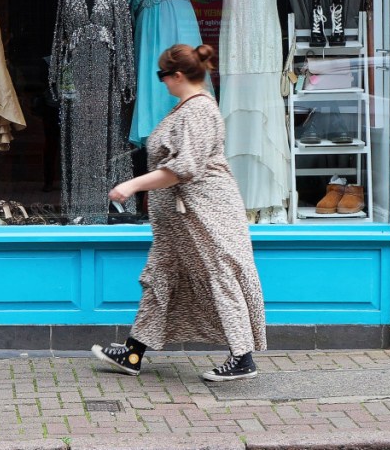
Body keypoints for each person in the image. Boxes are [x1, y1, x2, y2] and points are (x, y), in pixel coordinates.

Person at [91, 43, 266, 381]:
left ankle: (243, 357)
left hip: (204, 216)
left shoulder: (197, 111)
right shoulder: (185, 108)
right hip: (178, 222)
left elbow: (183, 168)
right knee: (161, 277)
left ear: (178, 75)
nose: (162, 82)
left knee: (221, 274)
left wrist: (131, 186)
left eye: (163, 75)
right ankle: (133, 352)